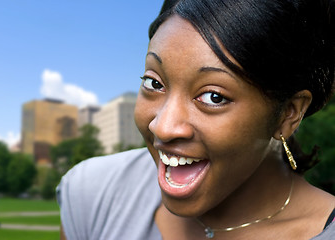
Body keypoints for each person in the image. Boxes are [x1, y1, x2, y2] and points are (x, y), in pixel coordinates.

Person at [57, 0, 335, 239]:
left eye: (213, 97)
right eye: (154, 83)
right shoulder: (92, 193)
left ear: (289, 112)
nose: (162, 127)